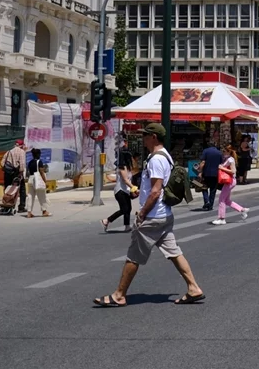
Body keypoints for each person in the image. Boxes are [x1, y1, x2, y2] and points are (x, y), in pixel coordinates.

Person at [94, 123, 205, 307]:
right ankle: (193, 288)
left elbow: (156, 190)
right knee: (174, 252)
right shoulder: (165, 156)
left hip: (153, 216)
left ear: (153, 137)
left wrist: (143, 212)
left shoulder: (155, 159)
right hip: (164, 215)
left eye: (145, 135)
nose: (143, 138)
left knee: (133, 256)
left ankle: (119, 295)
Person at [211, 145, 250, 226]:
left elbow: (233, 171)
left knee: (221, 199)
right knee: (227, 200)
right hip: (229, 181)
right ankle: (242, 210)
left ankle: (222, 218)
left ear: (229, 152)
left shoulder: (230, 159)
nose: (223, 153)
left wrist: (222, 168)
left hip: (230, 181)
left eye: (224, 151)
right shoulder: (228, 159)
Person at [103, 142, 135, 232]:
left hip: (125, 191)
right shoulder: (121, 167)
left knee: (128, 208)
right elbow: (125, 180)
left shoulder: (127, 167)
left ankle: (127, 226)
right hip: (120, 191)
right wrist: (134, 188)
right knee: (124, 209)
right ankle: (107, 220)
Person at [0, 139, 27, 215]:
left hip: (8, 173)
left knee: (7, 189)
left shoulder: (8, 152)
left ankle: (6, 204)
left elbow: (2, 164)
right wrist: (20, 173)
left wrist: (6, 170)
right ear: (21, 145)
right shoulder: (21, 152)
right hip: (16, 173)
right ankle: (21, 207)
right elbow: (22, 165)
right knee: (22, 189)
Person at [198, 140, 222, 211]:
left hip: (206, 173)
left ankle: (207, 201)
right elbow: (221, 164)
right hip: (216, 174)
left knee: (204, 188)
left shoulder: (205, 151)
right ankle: (210, 205)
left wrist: (200, 171)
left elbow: (203, 162)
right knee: (213, 190)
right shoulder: (219, 153)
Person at [26, 148, 50, 218]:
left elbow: (28, 172)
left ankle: (29, 212)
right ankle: (44, 211)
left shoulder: (30, 162)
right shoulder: (39, 162)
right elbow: (41, 172)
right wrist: (45, 181)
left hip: (30, 179)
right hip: (37, 180)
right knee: (42, 196)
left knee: (30, 196)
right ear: (39, 154)